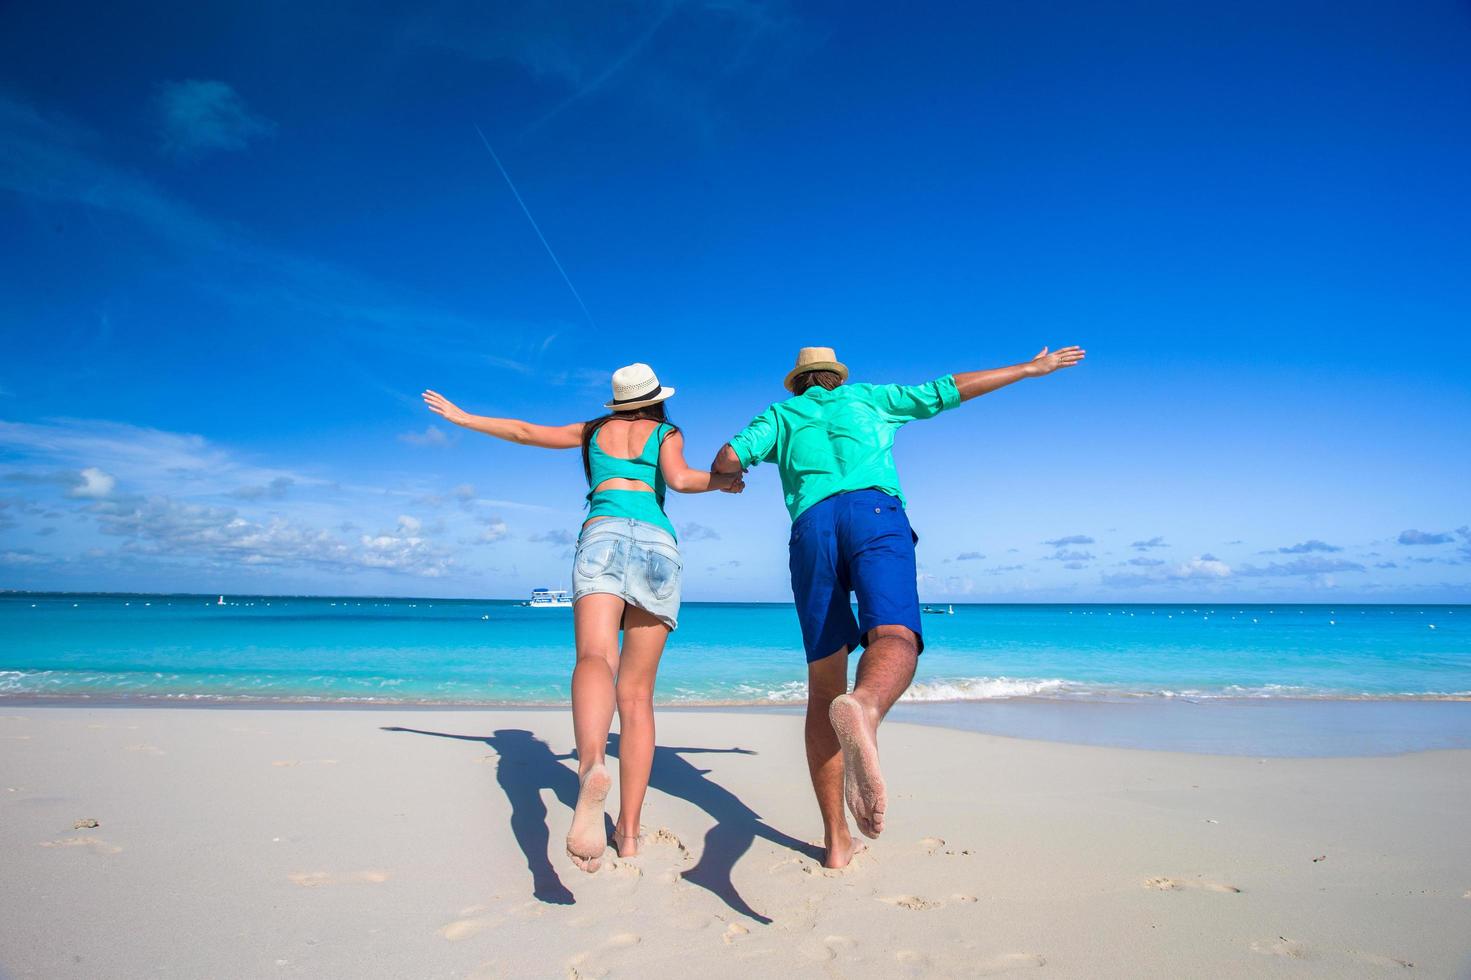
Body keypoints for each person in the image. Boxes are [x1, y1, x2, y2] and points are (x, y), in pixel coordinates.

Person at [711, 344, 1085, 869]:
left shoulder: (779, 416)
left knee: (823, 686)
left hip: (813, 528)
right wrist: (1028, 368)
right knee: (895, 636)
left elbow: (728, 457)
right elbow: (949, 389)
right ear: (835, 378)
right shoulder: (870, 399)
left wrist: (730, 478)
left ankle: (837, 843)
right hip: (874, 512)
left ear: (797, 382)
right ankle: (865, 707)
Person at [424, 363, 742, 873]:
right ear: (656, 399)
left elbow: (525, 432)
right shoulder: (666, 432)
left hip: (602, 536)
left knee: (595, 657)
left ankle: (592, 763)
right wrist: (724, 482)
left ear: (616, 402)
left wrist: (464, 418)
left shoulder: (593, 431)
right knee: (636, 696)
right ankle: (630, 834)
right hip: (658, 548)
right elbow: (681, 480)